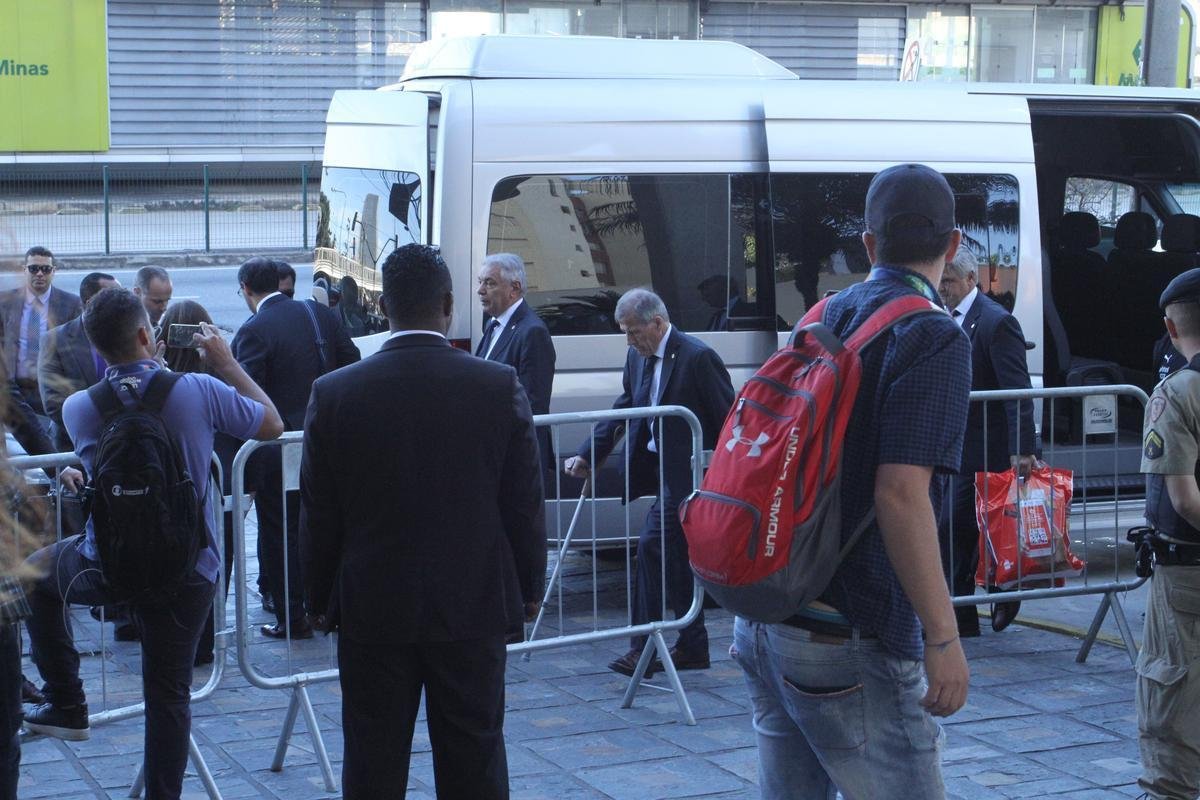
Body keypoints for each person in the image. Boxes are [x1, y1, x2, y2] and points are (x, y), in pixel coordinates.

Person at [730, 164, 971, 798]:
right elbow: (900, 495)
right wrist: (943, 638)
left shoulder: (824, 313)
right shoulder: (933, 335)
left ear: (867, 244)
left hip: (768, 616)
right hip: (848, 634)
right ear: (953, 245)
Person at [299, 243, 546, 799]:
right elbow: (524, 502)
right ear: (450, 305)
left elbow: (319, 510)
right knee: (475, 752)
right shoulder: (496, 386)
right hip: (472, 601)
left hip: (374, 603)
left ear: (384, 306)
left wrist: (315, 597)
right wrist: (530, 587)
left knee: (372, 754)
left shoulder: (336, 393)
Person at [21, 287, 282, 800]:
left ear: (97, 350)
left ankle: (67, 701)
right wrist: (226, 363)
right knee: (168, 696)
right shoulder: (198, 390)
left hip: (107, 564)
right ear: (148, 334)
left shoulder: (79, 407)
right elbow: (272, 424)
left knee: (33, 575)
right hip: (190, 568)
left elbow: (101, 452)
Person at [563, 288, 734, 677]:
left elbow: (729, 421)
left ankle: (642, 649)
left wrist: (720, 480)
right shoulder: (636, 357)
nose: (629, 340)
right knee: (671, 557)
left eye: (633, 331)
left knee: (651, 547)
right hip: (659, 471)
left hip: (691, 478)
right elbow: (628, 405)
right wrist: (591, 453)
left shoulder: (698, 357)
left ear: (657, 323)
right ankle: (692, 646)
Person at [232, 257, 359, 639]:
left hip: (280, 445)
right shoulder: (319, 314)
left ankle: (292, 617)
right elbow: (351, 361)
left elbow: (247, 396)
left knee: (280, 531)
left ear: (246, 290)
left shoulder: (254, 329)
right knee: (330, 522)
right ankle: (332, 607)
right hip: (330, 438)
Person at [937, 248, 1037, 636]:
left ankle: (1004, 593)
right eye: (940, 281)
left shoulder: (996, 323)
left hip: (990, 447)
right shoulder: (941, 316)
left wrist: (1022, 448)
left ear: (970, 281)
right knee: (952, 527)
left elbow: (1016, 390)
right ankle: (962, 614)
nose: (942, 288)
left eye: (949, 281)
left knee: (989, 527)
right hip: (957, 446)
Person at [1135, 268, 1200, 800]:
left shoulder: (1175, 392)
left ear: (1170, 329)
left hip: (1186, 579)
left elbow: (1183, 500)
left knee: (1171, 718)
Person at [156, 300, 245, 666]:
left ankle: (184, 641)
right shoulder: (212, 382)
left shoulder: (165, 383)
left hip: (184, 493)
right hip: (215, 489)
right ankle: (204, 640)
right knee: (213, 563)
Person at [476, 253, 556, 482]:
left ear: (514, 288)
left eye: (489, 283)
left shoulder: (532, 332)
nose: (480, 290)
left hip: (516, 456)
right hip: (494, 450)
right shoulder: (494, 325)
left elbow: (532, 403)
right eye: (480, 282)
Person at [0, 247, 83, 427]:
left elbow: (78, 350)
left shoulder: (71, 304)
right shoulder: (5, 302)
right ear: (24, 270)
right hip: (15, 390)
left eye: (45, 269)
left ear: (54, 272)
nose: (39, 274)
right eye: (33, 268)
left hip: (52, 391)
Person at [38, 272, 120, 452]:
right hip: (74, 449)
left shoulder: (125, 334)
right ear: (91, 303)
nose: (120, 303)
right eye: (113, 298)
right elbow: (53, 403)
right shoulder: (55, 340)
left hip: (121, 446)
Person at [133, 266, 173, 333]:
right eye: (157, 302)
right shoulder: (126, 328)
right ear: (137, 293)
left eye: (167, 300)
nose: (164, 308)